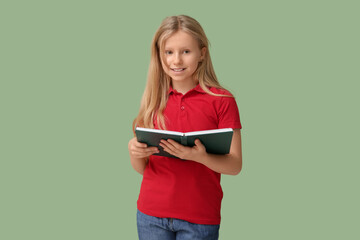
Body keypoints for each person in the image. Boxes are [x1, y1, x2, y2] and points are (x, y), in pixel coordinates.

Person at [128, 15, 242, 240]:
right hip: (151, 215)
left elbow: (235, 165)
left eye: (185, 52)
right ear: (159, 55)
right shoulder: (152, 101)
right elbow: (143, 168)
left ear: (202, 53)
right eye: (169, 52)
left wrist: (198, 156)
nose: (176, 61)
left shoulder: (222, 100)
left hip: (199, 217)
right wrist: (134, 151)